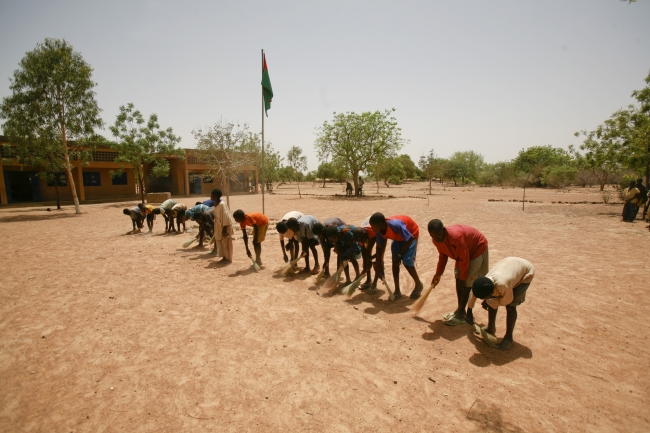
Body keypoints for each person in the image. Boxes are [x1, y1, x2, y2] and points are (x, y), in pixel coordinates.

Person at [428, 219, 489, 326]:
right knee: (458, 278)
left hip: (477, 248)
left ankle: (461, 313)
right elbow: (443, 256)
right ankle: (461, 309)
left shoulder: (455, 237)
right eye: (433, 236)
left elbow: (465, 259)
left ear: (443, 229)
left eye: (438, 235)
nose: (436, 238)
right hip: (462, 253)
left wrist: (463, 278)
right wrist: (438, 273)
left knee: (466, 282)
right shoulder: (436, 240)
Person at [469, 257, 535, 351]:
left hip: (525, 273)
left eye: (486, 297)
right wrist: (469, 310)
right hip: (510, 266)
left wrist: (490, 301)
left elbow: (507, 301)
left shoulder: (502, 285)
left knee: (511, 307)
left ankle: (508, 337)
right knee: (491, 301)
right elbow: (473, 295)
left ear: (490, 293)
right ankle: (491, 327)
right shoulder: (483, 282)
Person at [369, 213, 423, 300]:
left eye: (372, 226)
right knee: (395, 261)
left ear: (380, 225)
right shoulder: (378, 231)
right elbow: (379, 248)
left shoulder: (395, 225)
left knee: (407, 262)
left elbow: (410, 238)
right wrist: (379, 267)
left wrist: (400, 254)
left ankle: (419, 284)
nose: (371, 228)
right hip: (398, 238)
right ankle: (397, 291)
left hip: (411, 235)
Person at [353, 221, 378, 294]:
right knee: (367, 259)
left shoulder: (374, 232)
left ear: (365, 235)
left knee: (378, 261)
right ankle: (368, 280)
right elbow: (364, 252)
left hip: (377, 234)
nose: (362, 242)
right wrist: (365, 267)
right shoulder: (360, 237)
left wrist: (373, 257)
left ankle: (375, 284)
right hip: (368, 234)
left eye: (363, 240)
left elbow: (380, 249)